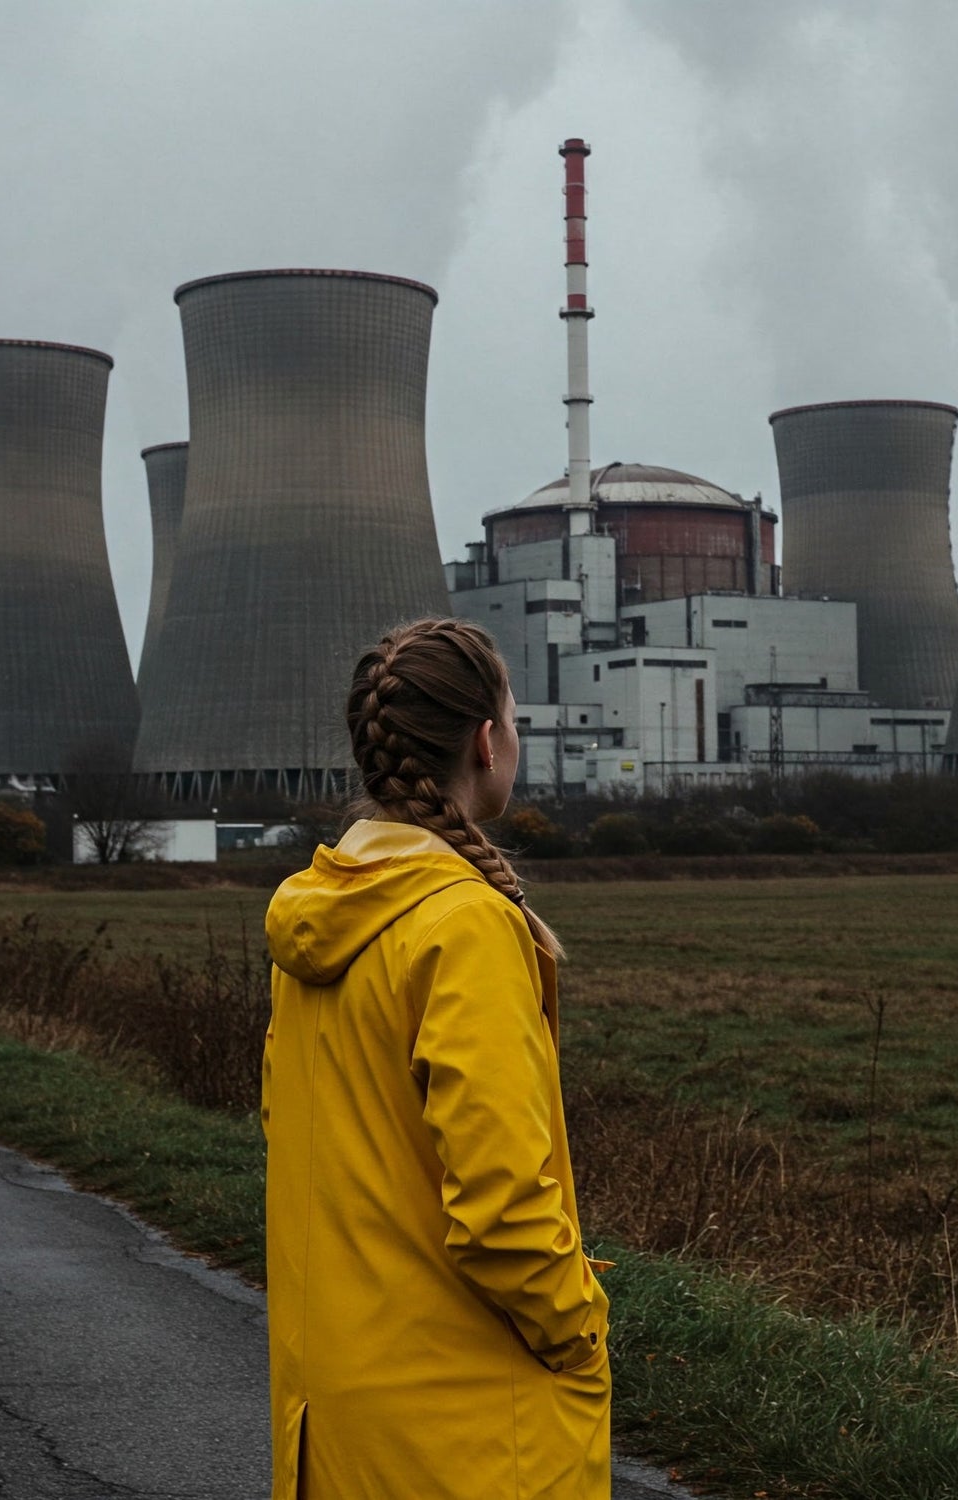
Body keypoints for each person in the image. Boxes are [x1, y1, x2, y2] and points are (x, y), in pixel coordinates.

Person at [261, 618, 611, 1499]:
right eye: (515, 720)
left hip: (334, 1412)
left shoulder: (321, 915)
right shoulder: (464, 927)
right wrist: (577, 1328)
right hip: (462, 1426)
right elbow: (503, 1206)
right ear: (487, 743)